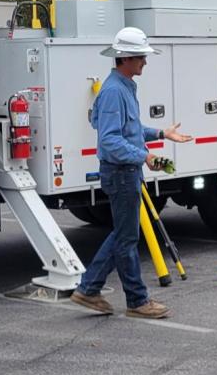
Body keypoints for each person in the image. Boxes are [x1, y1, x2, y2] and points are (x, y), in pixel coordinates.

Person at [71, 28, 191, 319]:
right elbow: (110, 140)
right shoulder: (115, 91)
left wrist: (161, 133)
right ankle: (131, 299)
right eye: (141, 58)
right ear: (125, 59)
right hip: (122, 172)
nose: (145, 63)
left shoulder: (119, 87)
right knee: (125, 238)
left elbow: (127, 131)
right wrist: (144, 155)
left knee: (124, 236)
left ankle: (93, 290)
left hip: (124, 172)